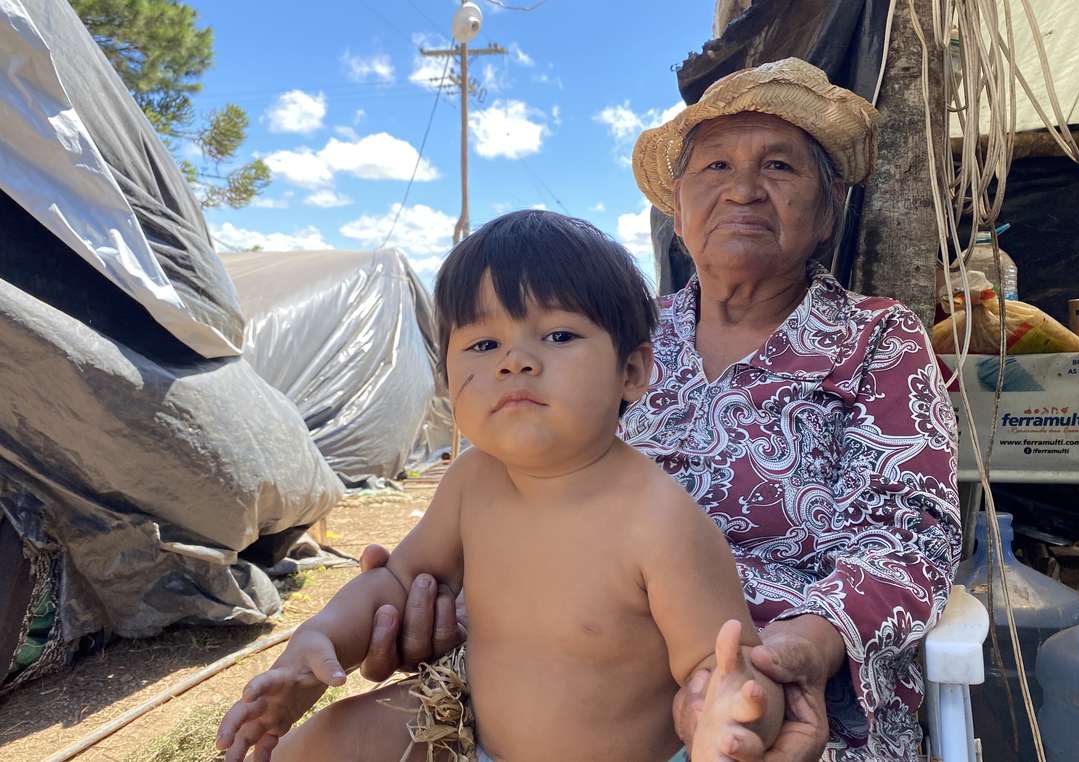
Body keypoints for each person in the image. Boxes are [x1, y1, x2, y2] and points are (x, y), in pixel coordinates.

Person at [353, 59, 961, 761]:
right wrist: (446, 594)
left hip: (771, 683)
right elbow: (517, 478)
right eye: (714, 167)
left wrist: (799, 648)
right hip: (562, 667)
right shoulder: (613, 334)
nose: (742, 189)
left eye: (780, 168)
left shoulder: (877, 340)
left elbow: (913, 541)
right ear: (677, 213)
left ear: (826, 214)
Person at [216, 210, 785, 762]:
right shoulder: (472, 479)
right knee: (314, 745)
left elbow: (721, 666)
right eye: (483, 345)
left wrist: (731, 711)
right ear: (447, 377)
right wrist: (321, 639)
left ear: (632, 372)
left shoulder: (659, 520)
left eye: (559, 335)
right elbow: (397, 578)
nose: (515, 361)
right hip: (472, 732)